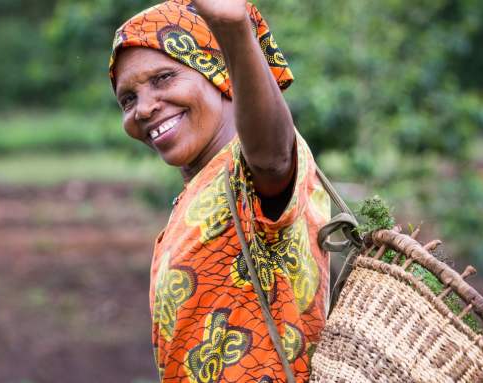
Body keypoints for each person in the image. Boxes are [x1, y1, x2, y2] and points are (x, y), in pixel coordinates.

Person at [108, 0, 332, 381]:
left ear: (219, 73)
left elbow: (272, 158)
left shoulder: (249, 173)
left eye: (163, 78)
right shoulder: (203, 188)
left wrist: (233, 30)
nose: (143, 109)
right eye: (128, 99)